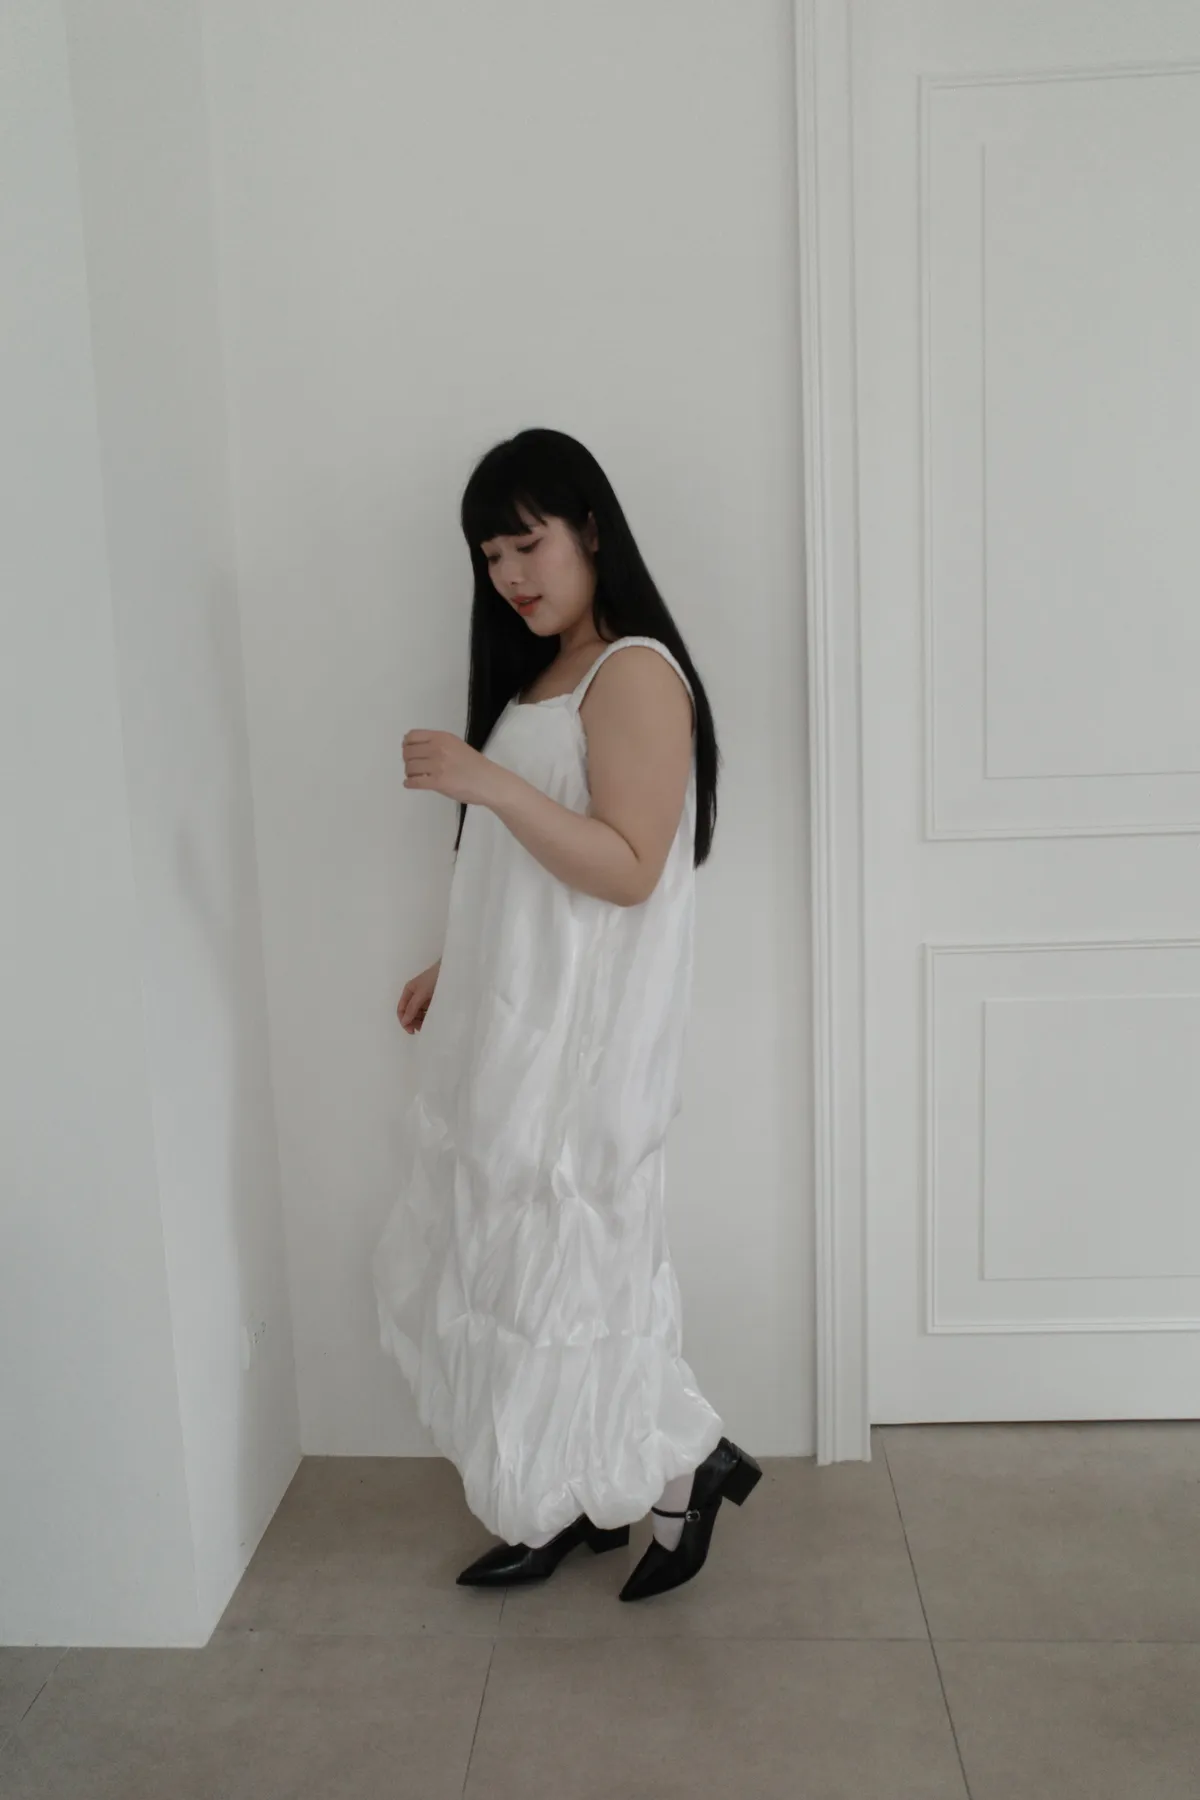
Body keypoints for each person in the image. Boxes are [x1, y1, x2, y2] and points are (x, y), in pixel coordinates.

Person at [372, 427, 760, 1602]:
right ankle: (563, 1494)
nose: (509, 575)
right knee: (514, 1269)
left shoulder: (631, 672)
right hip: (521, 1025)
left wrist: (482, 780)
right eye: (490, 556)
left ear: (591, 529)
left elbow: (630, 867)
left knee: (575, 1271)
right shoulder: (543, 676)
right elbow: (531, 872)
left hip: (586, 1047)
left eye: (525, 544)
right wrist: (460, 959)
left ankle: (686, 1462)